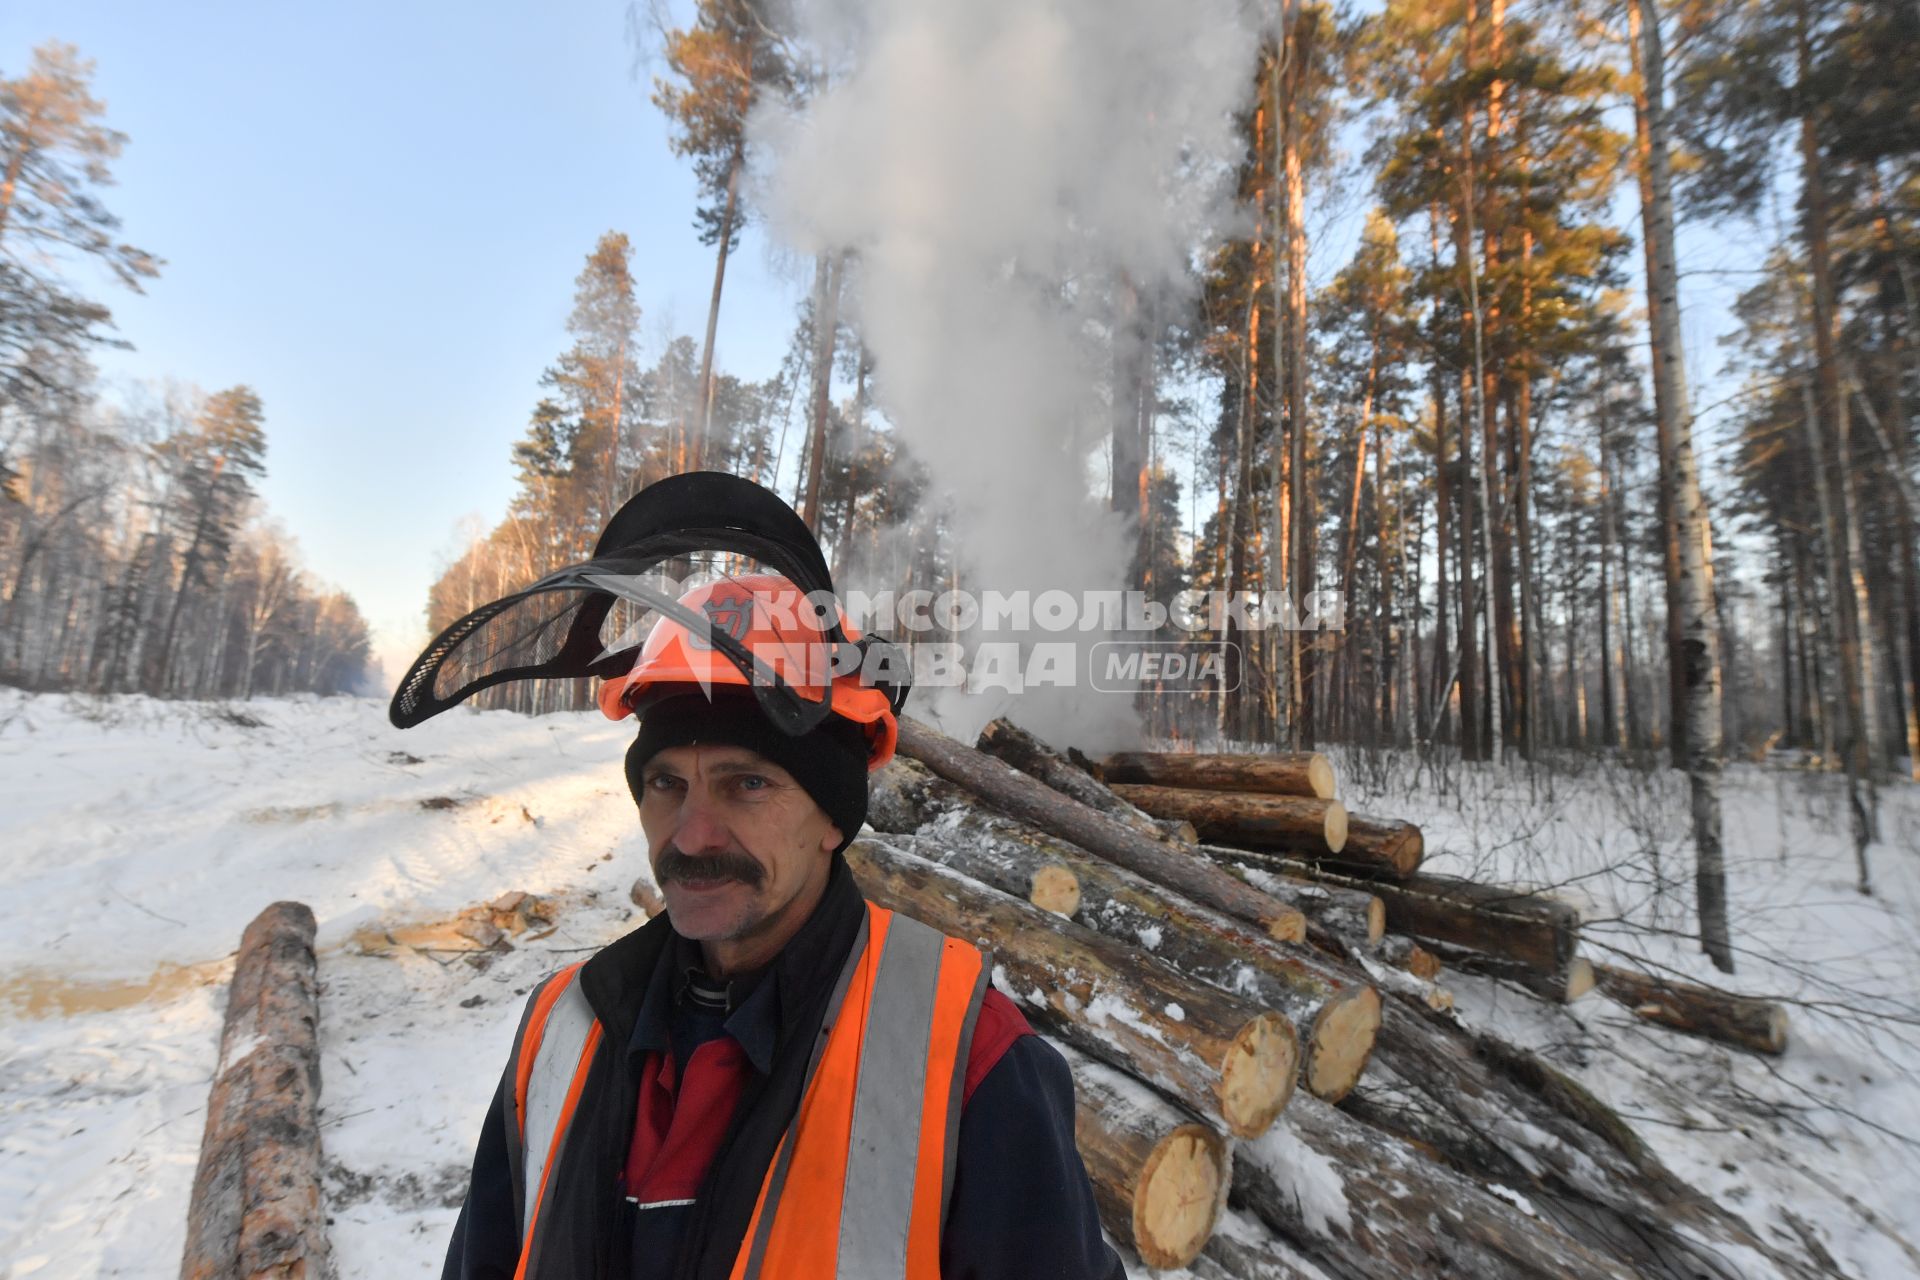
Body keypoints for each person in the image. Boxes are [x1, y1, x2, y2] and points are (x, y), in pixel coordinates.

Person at [420, 525, 1124, 1278]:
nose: (690, 837)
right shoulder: (561, 1027)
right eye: (666, 784)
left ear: (831, 817)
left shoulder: (966, 1055)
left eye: (746, 783)